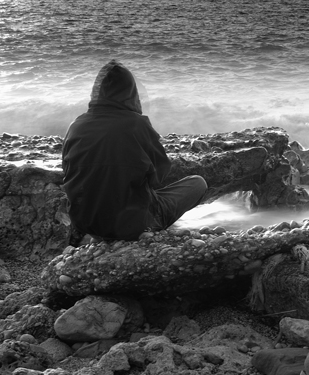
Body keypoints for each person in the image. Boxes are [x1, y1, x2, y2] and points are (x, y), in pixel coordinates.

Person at [62, 60, 207, 241]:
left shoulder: (76, 125)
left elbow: (68, 172)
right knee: (197, 183)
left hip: (86, 222)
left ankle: (95, 235)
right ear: (131, 92)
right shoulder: (137, 124)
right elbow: (159, 175)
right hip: (130, 225)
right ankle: (145, 230)